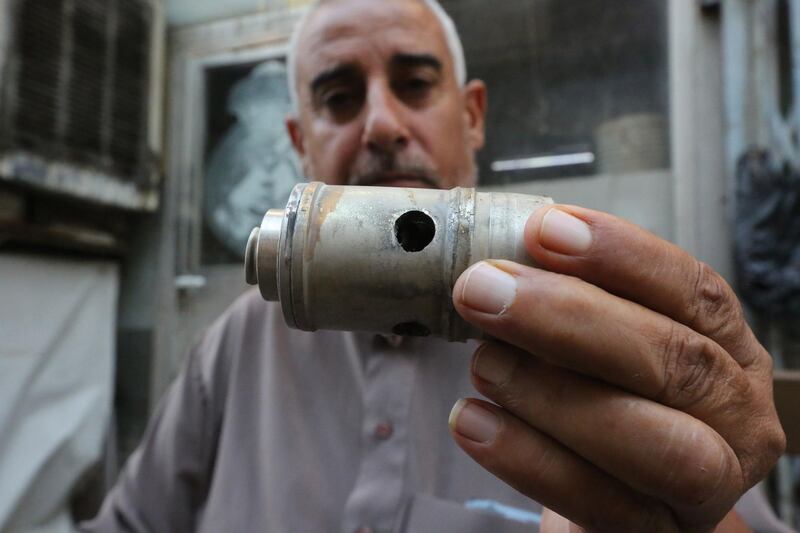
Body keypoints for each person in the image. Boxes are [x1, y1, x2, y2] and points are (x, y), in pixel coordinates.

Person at [85, 0, 787, 531]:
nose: (382, 124)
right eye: (339, 98)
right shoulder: (235, 347)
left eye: (415, 84)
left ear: (472, 115)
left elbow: (719, 504)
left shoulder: (596, 330)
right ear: (300, 142)